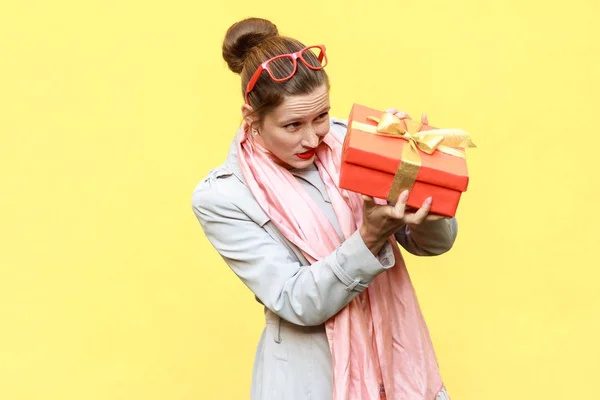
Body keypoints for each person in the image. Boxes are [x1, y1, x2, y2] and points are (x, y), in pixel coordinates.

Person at [191, 17, 457, 400]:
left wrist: (421, 183)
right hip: (312, 383)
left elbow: (432, 244)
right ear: (253, 119)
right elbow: (295, 300)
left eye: (320, 116)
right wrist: (368, 238)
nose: (314, 136)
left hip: (400, 370)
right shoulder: (223, 198)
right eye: (293, 124)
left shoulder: (353, 140)